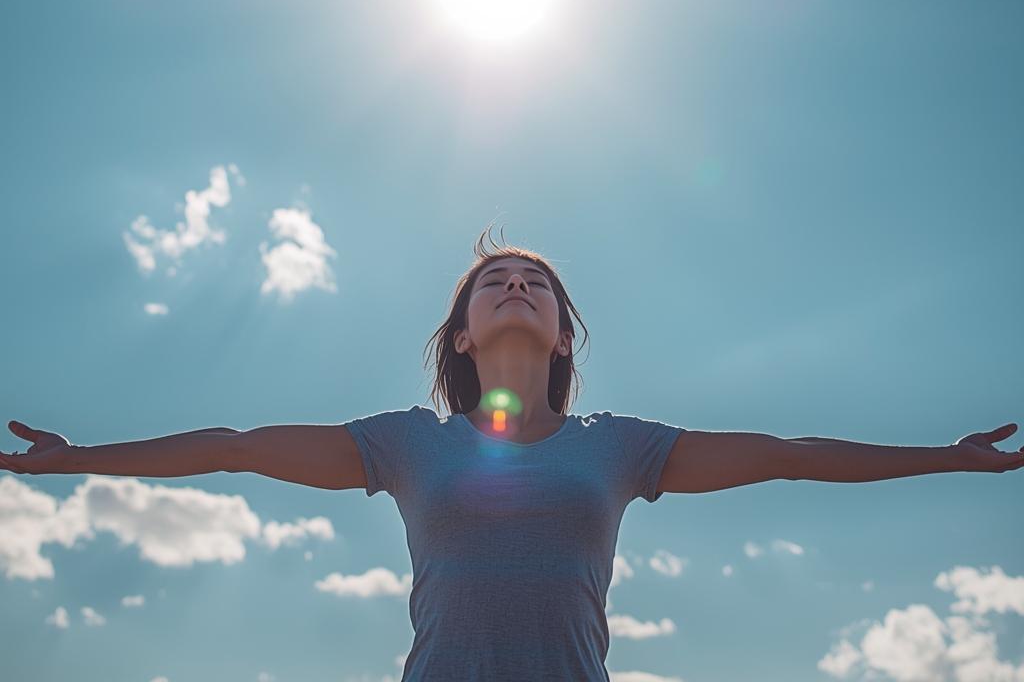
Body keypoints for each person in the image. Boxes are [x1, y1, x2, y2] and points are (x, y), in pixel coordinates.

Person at [2, 231, 1022, 682]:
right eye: (495, 277)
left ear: (565, 335)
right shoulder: (406, 443)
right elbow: (230, 448)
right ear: (460, 334)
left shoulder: (621, 448)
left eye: (536, 278)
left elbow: (793, 456)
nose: (518, 283)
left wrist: (948, 456)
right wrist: (78, 455)